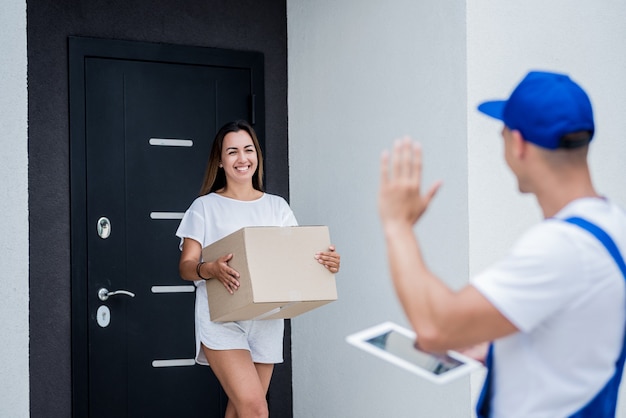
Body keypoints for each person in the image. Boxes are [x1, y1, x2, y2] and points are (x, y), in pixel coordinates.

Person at [377, 71, 626, 417]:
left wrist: (397, 224)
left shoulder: (564, 247)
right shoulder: (609, 222)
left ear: (519, 144)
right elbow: (577, 337)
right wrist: (501, 350)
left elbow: (435, 327)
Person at [176, 120, 341, 418]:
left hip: (267, 318)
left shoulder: (277, 207)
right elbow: (186, 267)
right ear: (221, 161)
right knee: (255, 408)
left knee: (242, 409)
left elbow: (298, 256)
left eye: (248, 150)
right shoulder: (204, 207)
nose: (242, 159)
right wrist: (210, 269)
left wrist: (327, 262)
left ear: (257, 156)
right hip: (221, 319)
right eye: (233, 152)